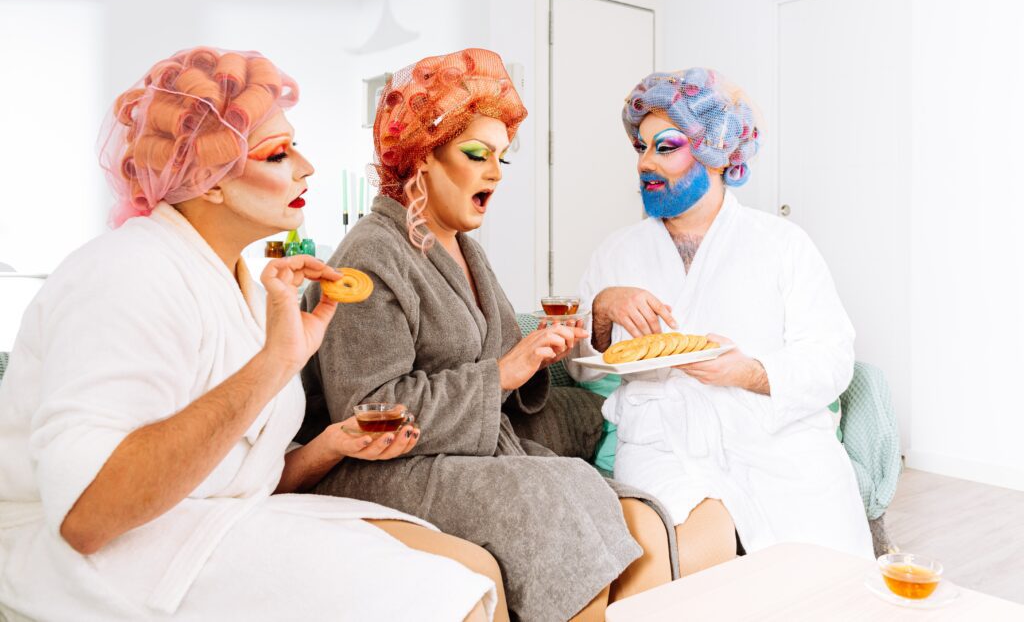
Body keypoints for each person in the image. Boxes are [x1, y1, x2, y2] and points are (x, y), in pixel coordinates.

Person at [0, 47, 500, 621]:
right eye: (278, 153)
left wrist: (328, 446)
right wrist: (273, 363)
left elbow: (237, 475)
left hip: (209, 520)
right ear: (206, 182)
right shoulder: (126, 272)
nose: (307, 166)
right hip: (96, 557)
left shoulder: (244, 283)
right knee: (443, 598)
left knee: (475, 568)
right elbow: (87, 516)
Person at [301, 48, 673, 622]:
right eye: (477, 154)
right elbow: (367, 410)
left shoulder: (461, 246)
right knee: (544, 501)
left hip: (456, 447)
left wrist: (544, 347)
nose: (496, 173)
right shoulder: (373, 254)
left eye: (502, 157)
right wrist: (502, 373)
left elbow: (500, 353)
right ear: (421, 157)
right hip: (380, 466)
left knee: (581, 482)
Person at [568, 68, 874, 576]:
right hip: (662, 444)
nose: (645, 162)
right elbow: (582, 370)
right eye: (640, 147)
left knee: (825, 579)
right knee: (690, 570)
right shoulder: (617, 253)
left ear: (716, 153)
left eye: (664, 146)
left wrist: (748, 372)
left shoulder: (782, 244)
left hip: (775, 440)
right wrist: (601, 310)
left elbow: (832, 356)